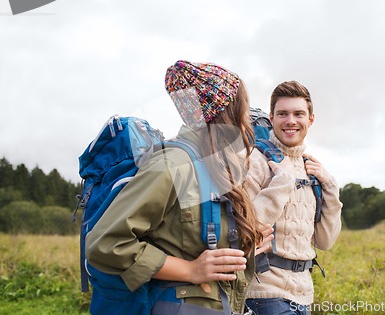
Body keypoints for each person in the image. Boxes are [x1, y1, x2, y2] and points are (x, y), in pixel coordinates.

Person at [86, 60, 272, 315]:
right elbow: (105, 243)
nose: (248, 117)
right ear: (225, 111)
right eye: (243, 106)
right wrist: (190, 270)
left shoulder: (214, 164)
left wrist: (247, 237)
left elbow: (184, 238)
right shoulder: (174, 164)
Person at [244, 81, 343, 315]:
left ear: (311, 119)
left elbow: (324, 241)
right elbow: (244, 230)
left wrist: (330, 186)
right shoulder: (254, 162)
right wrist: (281, 183)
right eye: (282, 114)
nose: (291, 121)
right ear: (271, 117)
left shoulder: (312, 168)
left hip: (304, 294)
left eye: (298, 113)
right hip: (263, 293)